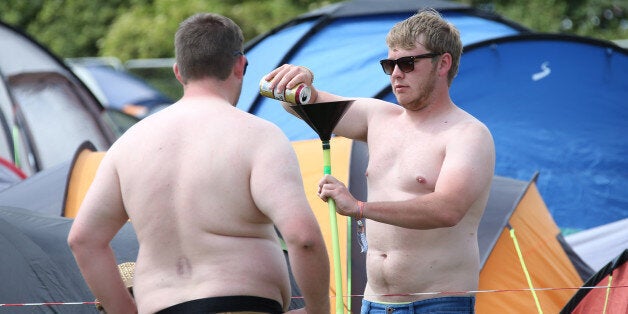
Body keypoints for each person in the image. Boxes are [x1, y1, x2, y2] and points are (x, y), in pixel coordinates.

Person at [68, 13, 330, 314]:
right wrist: (318, 310)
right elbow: (303, 237)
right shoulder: (259, 136)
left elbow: (83, 240)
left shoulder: (127, 145)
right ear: (240, 66)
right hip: (243, 303)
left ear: (178, 72)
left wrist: (124, 310)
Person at [263, 8, 495, 313]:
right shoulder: (378, 117)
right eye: (390, 64)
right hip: (374, 302)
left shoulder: (469, 134)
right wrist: (301, 80)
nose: (397, 73)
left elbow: (447, 210)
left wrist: (359, 208)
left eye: (408, 63)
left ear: (443, 63)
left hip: (437, 303)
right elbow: (300, 104)